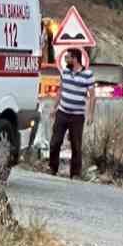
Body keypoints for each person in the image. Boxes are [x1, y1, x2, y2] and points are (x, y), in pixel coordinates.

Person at [49, 48, 95, 179]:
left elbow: (92, 96)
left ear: (75, 59)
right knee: (55, 141)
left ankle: (75, 173)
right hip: (62, 112)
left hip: (77, 115)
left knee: (76, 144)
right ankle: (52, 168)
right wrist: (54, 108)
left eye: (67, 58)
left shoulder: (88, 75)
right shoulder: (65, 72)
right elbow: (60, 91)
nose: (65, 60)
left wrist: (90, 114)